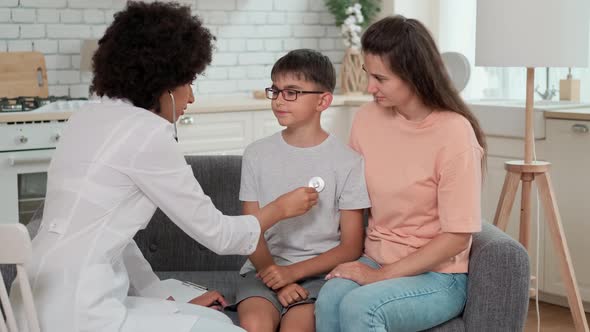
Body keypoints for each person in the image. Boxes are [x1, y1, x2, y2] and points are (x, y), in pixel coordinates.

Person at [8, 3, 318, 332]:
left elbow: (116, 238)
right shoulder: (148, 134)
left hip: (28, 302)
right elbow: (220, 235)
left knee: (209, 318)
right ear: (166, 84)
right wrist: (280, 209)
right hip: (80, 311)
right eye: (190, 83)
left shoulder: (85, 118)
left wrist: (163, 299)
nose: (191, 99)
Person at [314, 15, 487, 332]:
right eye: (368, 74)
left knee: (360, 307)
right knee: (329, 299)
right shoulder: (367, 119)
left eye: (381, 78)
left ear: (414, 75)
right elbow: (352, 197)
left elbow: (457, 236)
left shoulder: (454, 134)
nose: (369, 87)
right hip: (376, 256)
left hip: (438, 274)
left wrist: (380, 276)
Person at [234, 49, 371, 332]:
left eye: (292, 92)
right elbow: (250, 230)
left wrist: (290, 275)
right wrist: (275, 277)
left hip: (319, 276)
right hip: (262, 269)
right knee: (253, 325)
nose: (279, 100)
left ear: (323, 100)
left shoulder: (348, 162)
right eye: (276, 90)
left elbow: (351, 246)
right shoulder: (256, 154)